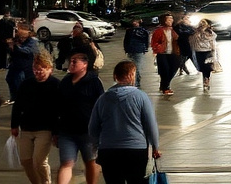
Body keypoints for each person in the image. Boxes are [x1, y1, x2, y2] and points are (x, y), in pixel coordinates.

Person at [88, 61, 161, 184]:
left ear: (115, 76)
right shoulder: (141, 97)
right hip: (136, 150)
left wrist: (97, 146)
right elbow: (150, 124)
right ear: (132, 75)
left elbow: (92, 128)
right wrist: (155, 146)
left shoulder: (103, 99)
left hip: (108, 151)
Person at [55, 51, 105, 184]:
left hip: (88, 132)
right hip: (67, 131)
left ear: (84, 65)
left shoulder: (94, 82)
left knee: (90, 162)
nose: (71, 64)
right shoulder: (65, 82)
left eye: (74, 62)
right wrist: (56, 131)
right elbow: (57, 106)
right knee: (66, 162)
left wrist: (101, 129)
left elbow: (101, 106)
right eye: (70, 61)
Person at [11, 52, 59, 184]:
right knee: (26, 160)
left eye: (42, 68)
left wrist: (56, 132)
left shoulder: (56, 85)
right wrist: (14, 125)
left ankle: (45, 182)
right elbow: (18, 105)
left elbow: (59, 111)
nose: (38, 71)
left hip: (45, 129)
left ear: (50, 68)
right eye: (35, 68)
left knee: (39, 161)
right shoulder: (26, 84)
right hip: (26, 128)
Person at [6, 23, 41, 104]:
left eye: (21, 31)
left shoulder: (32, 41)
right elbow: (11, 52)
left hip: (25, 67)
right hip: (15, 65)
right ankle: (14, 98)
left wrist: (15, 46)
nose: (19, 34)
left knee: (21, 83)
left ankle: (22, 100)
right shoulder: (17, 40)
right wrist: (10, 47)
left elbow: (27, 51)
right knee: (10, 79)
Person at [150, 14, 180, 96]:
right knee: (165, 70)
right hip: (162, 53)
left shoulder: (174, 30)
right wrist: (158, 48)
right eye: (169, 19)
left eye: (172, 19)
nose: (171, 21)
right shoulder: (159, 31)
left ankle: (164, 84)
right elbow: (154, 42)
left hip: (173, 52)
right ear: (164, 21)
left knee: (173, 69)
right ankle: (166, 87)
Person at [189, 19, 218, 92]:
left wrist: (214, 51)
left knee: (207, 67)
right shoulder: (195, 32)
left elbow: (212, 40)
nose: (202, 25)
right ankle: (205, 79)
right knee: (201, 66)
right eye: (201, 23)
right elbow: (191, 40)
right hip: (198, 51)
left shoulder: (209, 32)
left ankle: (206, 80)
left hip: (207, 51)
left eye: (203, 23)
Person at [122, 20, 149, 89]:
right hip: (132, 50)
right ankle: (135, 81)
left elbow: (146, 40)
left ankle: (136, 82)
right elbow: (126, 40)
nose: (135, 23)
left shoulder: (142, 31)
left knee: (136, 67)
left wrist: (145, 48)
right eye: (134, 22)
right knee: (133, 66)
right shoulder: (129, 31)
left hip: (138, 50)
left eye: (136, 22)